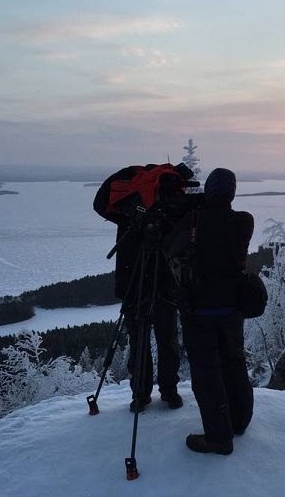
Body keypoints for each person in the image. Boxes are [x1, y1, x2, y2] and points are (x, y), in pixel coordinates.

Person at [167, 167, 254, 455]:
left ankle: (218, 438)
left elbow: (171, 248)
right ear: (232, 192)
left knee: (207, 374)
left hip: (200, 312)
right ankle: (239, 421)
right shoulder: (243, 221)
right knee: (234, 364)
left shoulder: (193, 220)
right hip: (232, 312)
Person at [93, 164, 184, 412]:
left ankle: (140, 394)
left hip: (132, 278)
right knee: (167, 339)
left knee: (139, 339)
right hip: (163, 280)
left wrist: (132, 174)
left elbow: (99, 202)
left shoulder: (129, 207)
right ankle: (170, 392)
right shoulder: (172, 205)